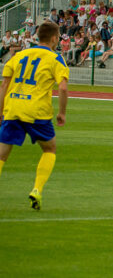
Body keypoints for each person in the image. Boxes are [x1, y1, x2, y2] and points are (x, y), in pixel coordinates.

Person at [0, 21, 69, 211]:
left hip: (13, 106)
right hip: (36, 111)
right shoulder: (55, 59)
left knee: (2, 154)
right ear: (55, 39)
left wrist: (1, 111)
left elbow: (4, 85)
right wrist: (62, 113)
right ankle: (37, 190)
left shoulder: (18, 55)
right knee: (49, 149)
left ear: (37, 37)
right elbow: (62, 87)